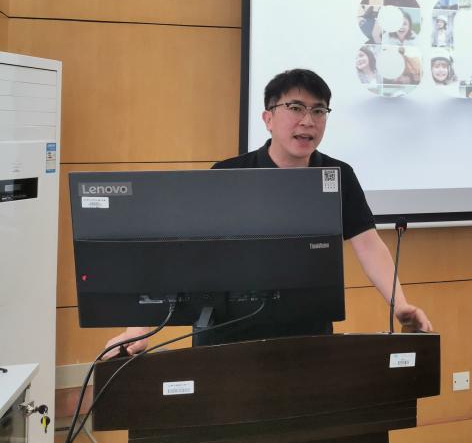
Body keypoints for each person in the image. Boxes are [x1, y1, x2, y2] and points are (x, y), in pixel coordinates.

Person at [104, 69, 432, 355]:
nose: (308, 121)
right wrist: (139, 329)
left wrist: (400, 304)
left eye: (319, 111)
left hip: (308, 337)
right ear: (268, 118)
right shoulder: (227, 174)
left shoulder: (338, 175)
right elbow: (182, 255)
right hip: (227, 339)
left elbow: (369, 245)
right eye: (296, 108)